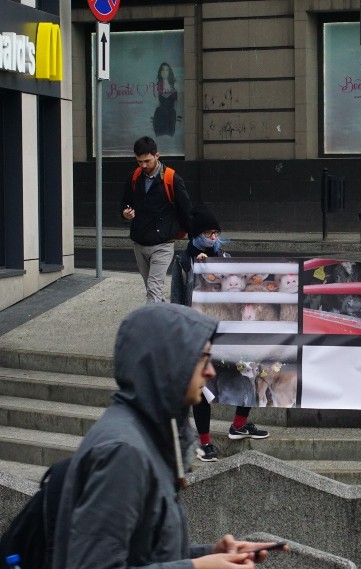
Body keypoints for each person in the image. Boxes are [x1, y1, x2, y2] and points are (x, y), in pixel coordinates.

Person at [51, 303, 279, 568]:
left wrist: (208, 554)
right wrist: (198, 567)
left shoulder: (147, 432)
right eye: (202, 359)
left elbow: (145, 550)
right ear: (169, 362)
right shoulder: (124, 452)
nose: (211, 371)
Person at [171, 204, 270, 462]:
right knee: (201, 387)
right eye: (208, 233)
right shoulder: (183, 262)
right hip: (198, 334)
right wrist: (200, 271)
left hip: (228, 331)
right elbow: (177, 300)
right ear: (196, 234)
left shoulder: (224, 258)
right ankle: (204, 443)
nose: (213, 238)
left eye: (216, 233)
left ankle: (240, 423)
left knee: (250, 369)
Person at [121, 136, 193, 303]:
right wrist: (125, 212)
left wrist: (194, 239)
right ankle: (167, 318)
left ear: (157, 155)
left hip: (163, 243)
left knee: (153, 288)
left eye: (147, 160)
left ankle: (151, 328)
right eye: (139, 161)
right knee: (153, 290)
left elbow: (186, 210)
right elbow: (125, 202)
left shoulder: (171, 178)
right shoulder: (134, 177)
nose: (143, 165)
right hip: (139, 243)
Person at [153, 62, 178, 137]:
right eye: (162, 70)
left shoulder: (175, 84)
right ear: (160, 72)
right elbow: (157, 104)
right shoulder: (156, 86)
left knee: (171, 138)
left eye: (167, 70)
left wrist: (179, 119)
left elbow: (178, 104)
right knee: (160, 141)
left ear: (170, 72)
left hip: (171, 117)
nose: (164, 72)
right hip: (159, 117)